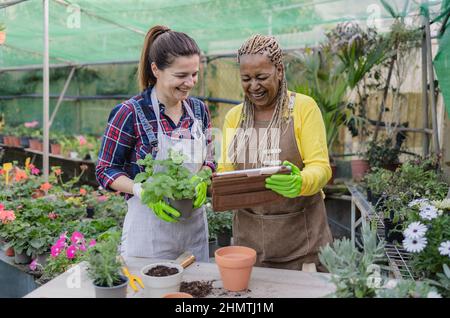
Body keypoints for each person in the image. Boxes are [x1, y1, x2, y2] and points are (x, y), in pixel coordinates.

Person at [96, 25, 215, 262]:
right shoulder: (130, 112)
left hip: (193, 232)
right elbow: (105, 169)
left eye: (194, 74)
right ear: (156, 70)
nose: (190, 83)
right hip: (149, 234)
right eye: (181, 76)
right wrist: (141, 189)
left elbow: (210, 157)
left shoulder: (198, 110)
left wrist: (204, 175)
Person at [218, 34, 333, 271]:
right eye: (246, 79)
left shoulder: (302, 108)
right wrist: (211, 185)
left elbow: (321, 167)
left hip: (303, 246)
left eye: (261, 77)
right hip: (249, 249)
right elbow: (226, 170)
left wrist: (301, 181)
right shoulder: (234, 118)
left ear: (279, 71)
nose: (254, 86)